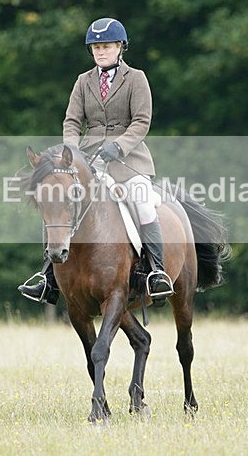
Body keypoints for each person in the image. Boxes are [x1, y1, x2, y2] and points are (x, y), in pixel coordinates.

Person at [19, 17, 174, 305]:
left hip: (128, 161)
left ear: (120, 47)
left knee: (141, 200)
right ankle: (47, 278)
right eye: (96, 47)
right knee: (58, 203)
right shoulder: (83, 81)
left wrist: (119, 146)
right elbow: (72, 121)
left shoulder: (136, 78)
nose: (100, 52)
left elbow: (142, 121)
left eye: (106, 46)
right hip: (87, 159)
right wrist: (71, 154)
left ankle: (156, 273)